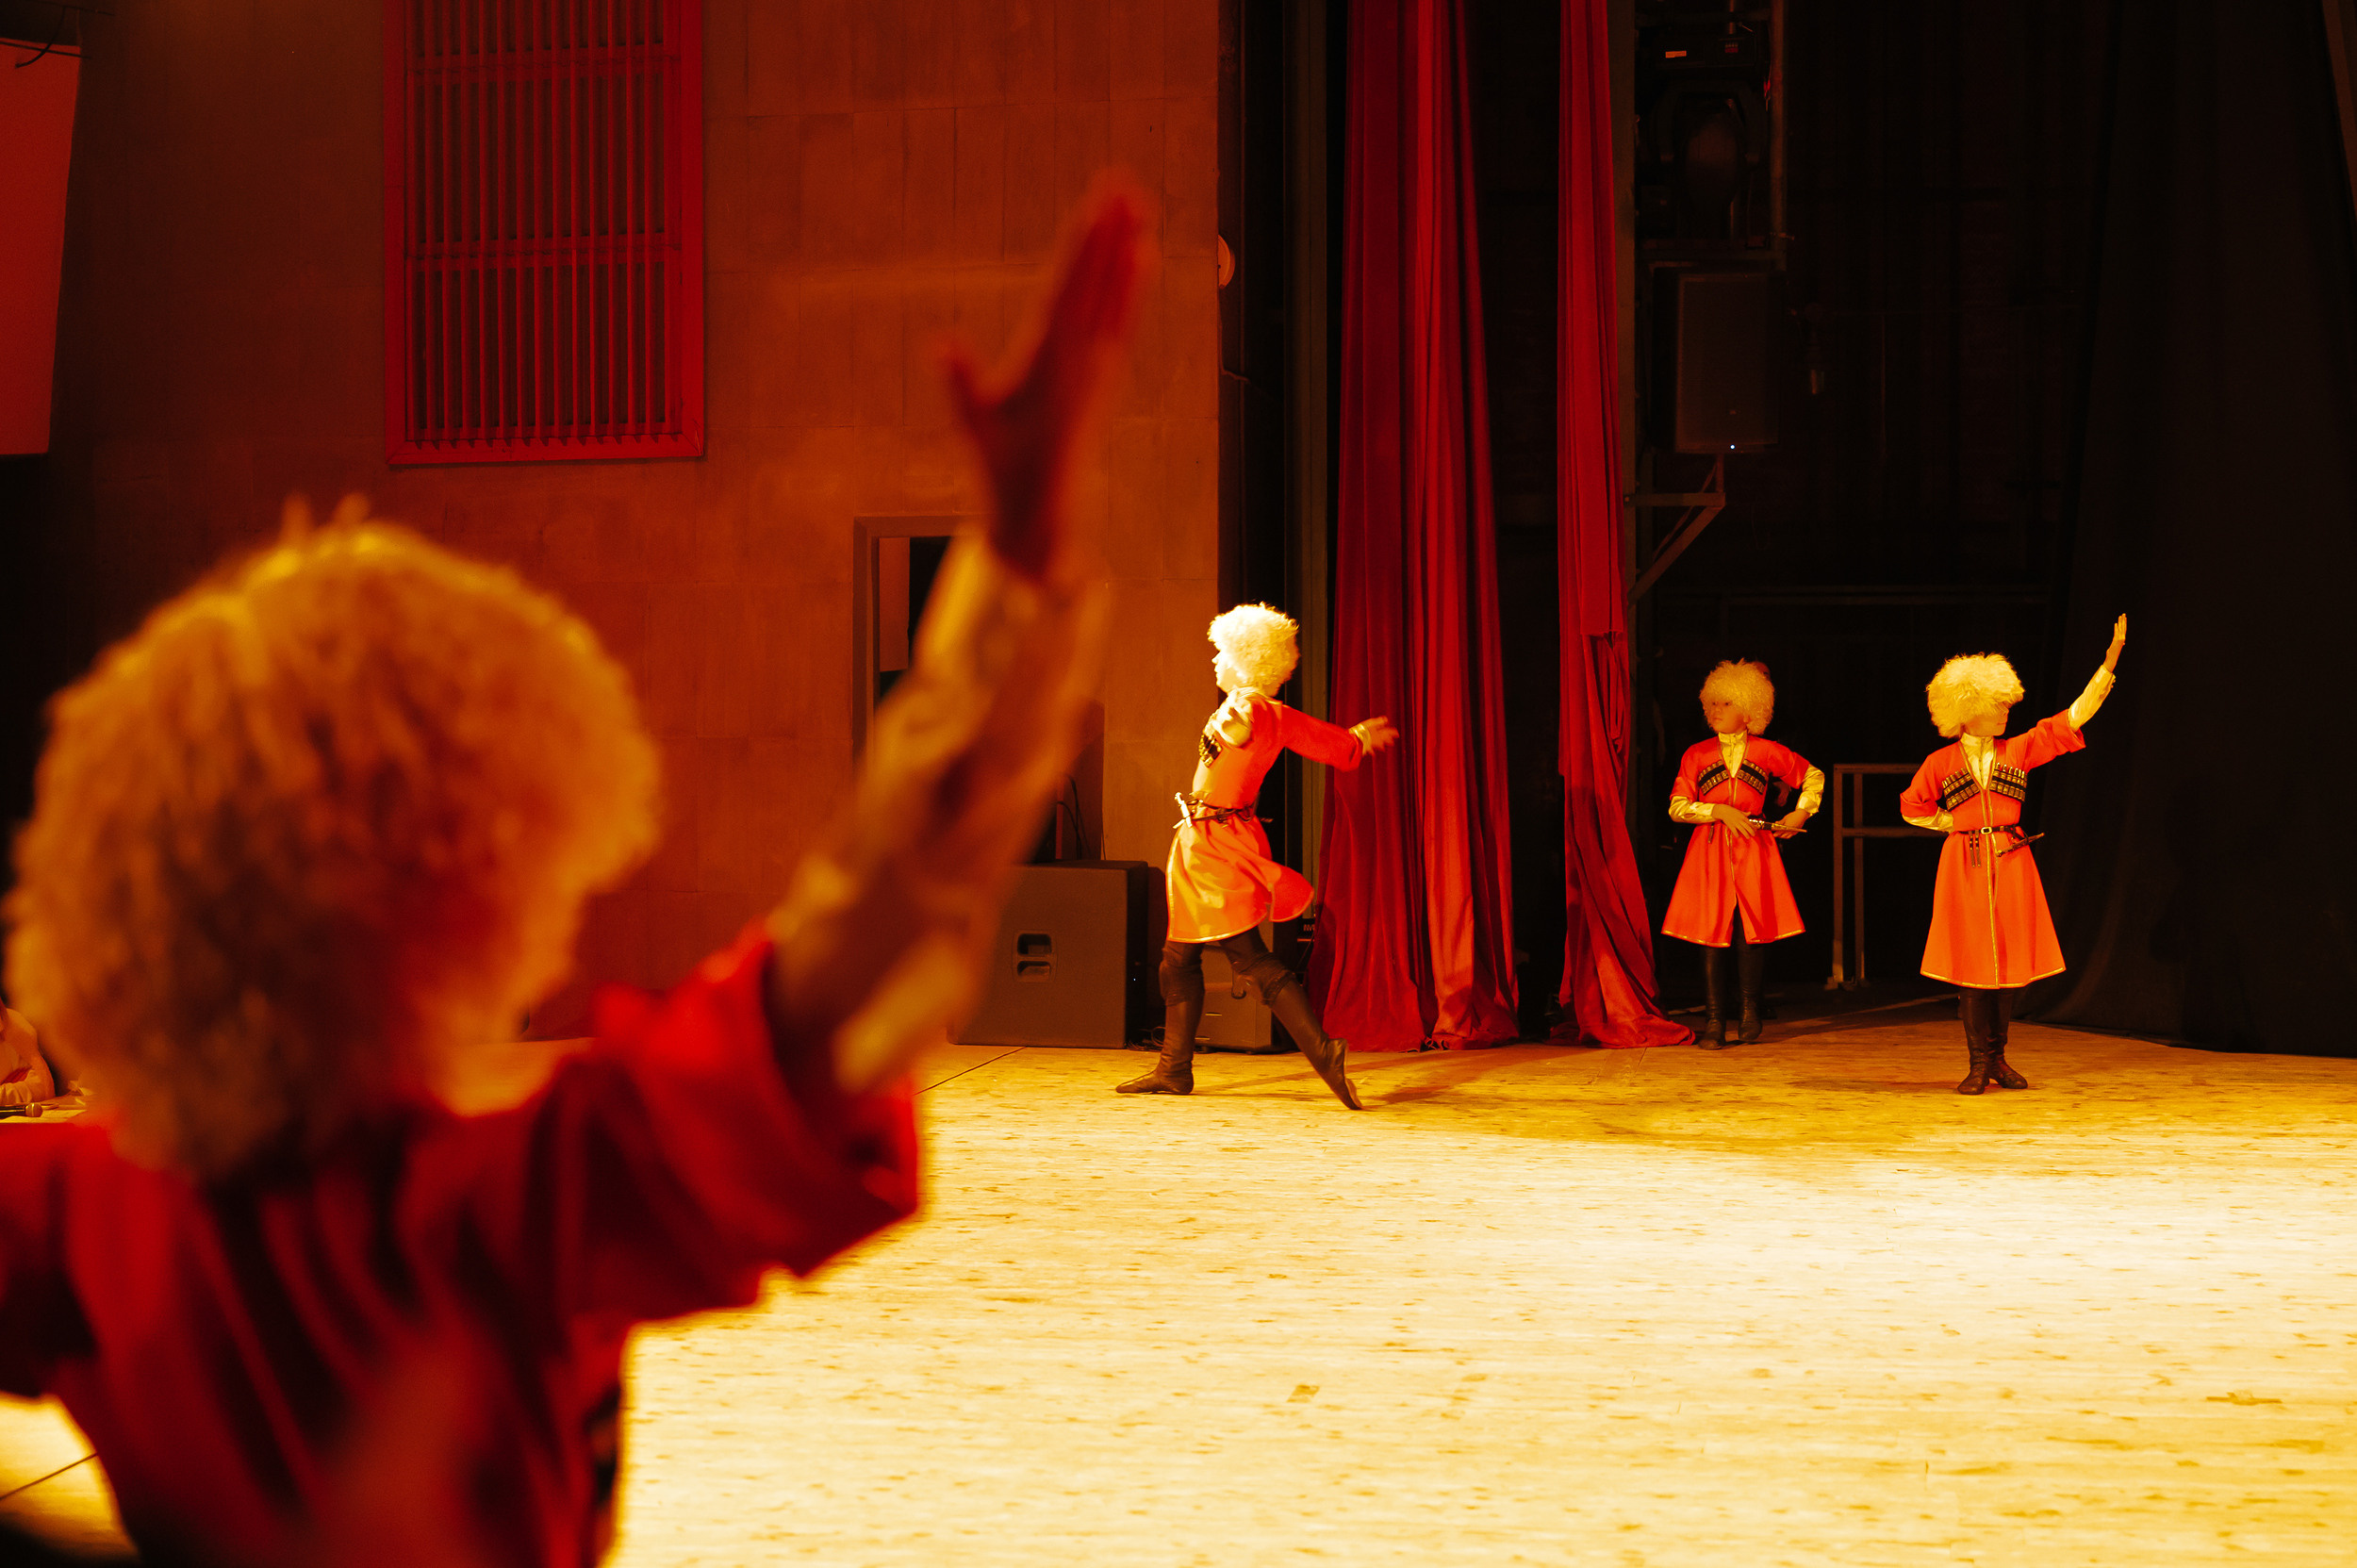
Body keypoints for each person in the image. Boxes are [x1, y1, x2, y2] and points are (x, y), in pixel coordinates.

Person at [0, 187, 1145, 1565]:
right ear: (460, 885)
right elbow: (849, 967)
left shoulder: (76, 1219)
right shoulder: (499, 1206)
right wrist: (1015, 570)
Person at [1115, 604, 1396, 1108]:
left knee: (1247, 957)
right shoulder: (1265, 710)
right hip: (1208, 841)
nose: (1215, 661)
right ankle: (1174, 1069)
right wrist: (1353, 740)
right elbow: (1320, 740)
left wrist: (1240, 716)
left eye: (1221, 653)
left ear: (1245, 660)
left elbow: (1243, 730)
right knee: (1178, 959)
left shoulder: (1249, 708)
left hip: (1217, 846)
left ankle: (1323, 1051)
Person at [1899, 615, 2128, 1094]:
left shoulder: (2019, 750)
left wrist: (2107, 666)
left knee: (2007, 966)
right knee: (1973, 967)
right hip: (1964, 863)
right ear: (1967, 710)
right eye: (1995, 705)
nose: (2005, 712)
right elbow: (1911, 807)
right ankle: (1977, 1063)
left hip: (2011, 859)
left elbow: (2071, 719)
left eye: (2005, 704)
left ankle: (1999, 1058)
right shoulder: (1939, 763)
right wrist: (1952, 824)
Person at [1660, 660, 1823, 1048]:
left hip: (1754, 846)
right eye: (1713, 703)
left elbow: (1812, 776)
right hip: (1709, 849)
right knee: (1710, 933)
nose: (1716, 711)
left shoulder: (1767, 751)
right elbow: (1677, 806)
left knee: (1751, 930)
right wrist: (1717, 810)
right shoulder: (1696, 754)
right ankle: (1714, 1020)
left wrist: (1800, 812)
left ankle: (1750, 1009)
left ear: (1750, 711)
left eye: (1727, 704)